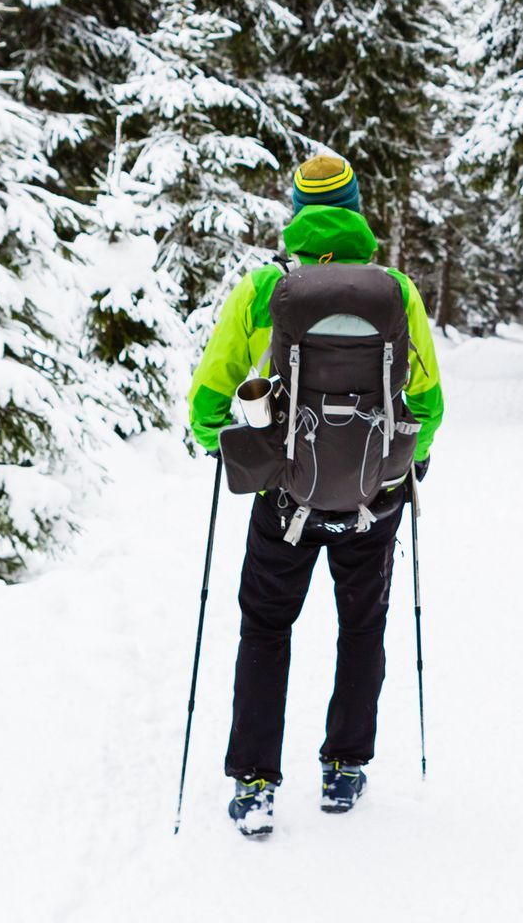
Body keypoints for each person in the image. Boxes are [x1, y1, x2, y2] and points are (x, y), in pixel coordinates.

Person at [189, 154, 444, 838]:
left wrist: (234, 444)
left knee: (266, 629)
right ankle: (343, 767)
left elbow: (205, 404)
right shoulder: (395, 291)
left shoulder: (266, 288)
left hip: (284, 502)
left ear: (296, 210)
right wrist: (402, 463)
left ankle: (254, 783)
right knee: (362, 628)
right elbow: (429, 404)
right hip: (374, 501)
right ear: (358, 208)